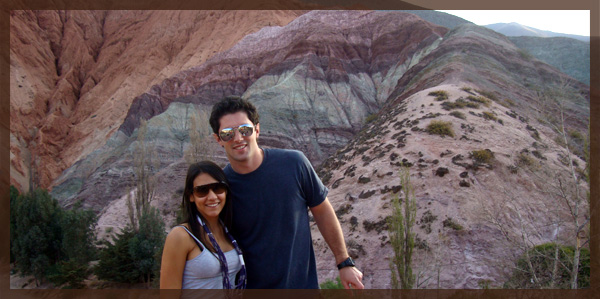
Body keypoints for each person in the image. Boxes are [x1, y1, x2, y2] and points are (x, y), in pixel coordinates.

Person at [209, 96, 364, 289]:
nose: (238, 138)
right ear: (218, 139)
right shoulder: (219, 189)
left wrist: (344, 262)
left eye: (245, 130)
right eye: (227, 134)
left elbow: (322, 210)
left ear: (257, 130)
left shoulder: (294, 164)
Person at [160, 161, 246, 289]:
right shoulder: (181, 236)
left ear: (226, 191)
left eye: (218, 188)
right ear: (191, 196)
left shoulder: (229, 231)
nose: (212, 197)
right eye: (202, 190)